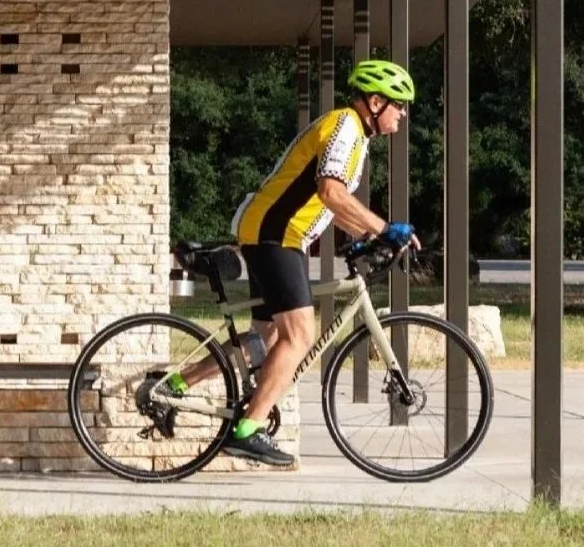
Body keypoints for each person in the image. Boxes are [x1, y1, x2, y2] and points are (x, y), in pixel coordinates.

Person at [168, 59, 419, 467]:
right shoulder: (346, 127)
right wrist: (385, 228)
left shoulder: (354, 134)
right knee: (300, 335)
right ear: (376, 103)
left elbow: (330, 203)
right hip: (277, 234)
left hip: (279, 234)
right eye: (399, 105)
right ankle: (247, 431)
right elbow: (331, 192)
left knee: (265, 341)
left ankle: (176, 384)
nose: (403, 114)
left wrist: (370, 237)